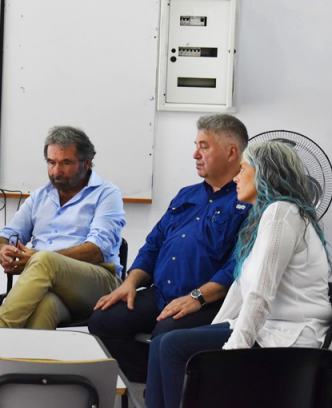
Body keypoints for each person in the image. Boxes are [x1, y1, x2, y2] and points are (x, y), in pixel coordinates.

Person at [145, 141, 332, 408]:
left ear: (264, 172)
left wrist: (232, 353)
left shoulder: (281, 213)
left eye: (243, 169)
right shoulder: (265, 216)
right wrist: (214, 330)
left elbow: (260, 293)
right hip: (268, 328)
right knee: (161, 342)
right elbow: (240, 291)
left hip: (289, 334)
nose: (235, 178)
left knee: (173, 346)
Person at [89, 114, 250, 383]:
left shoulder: (247, 198)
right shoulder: (187, 194)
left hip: (208, 301)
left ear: (231, 152)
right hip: (162, 293)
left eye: (204, 147)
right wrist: (130, 283)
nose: (195, 154)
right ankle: (162, 381)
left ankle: (170, 385)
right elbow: (153, 244)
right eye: (196, 145)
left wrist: (198, 297)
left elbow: (240, 264)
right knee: (103, 321)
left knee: (167, 334)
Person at [0, 126, 125, 332]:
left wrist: (36, 259)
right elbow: (5, 235)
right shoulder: (40, 196)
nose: (56, 171)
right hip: (49, 285)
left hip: (98, 283)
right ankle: (24, 354)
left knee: (45, 260)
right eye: (51, 162)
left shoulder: (107, 194)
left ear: (86, 163)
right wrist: (2, 249)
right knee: (45, 306)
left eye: (66, 163)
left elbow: (97, 250)